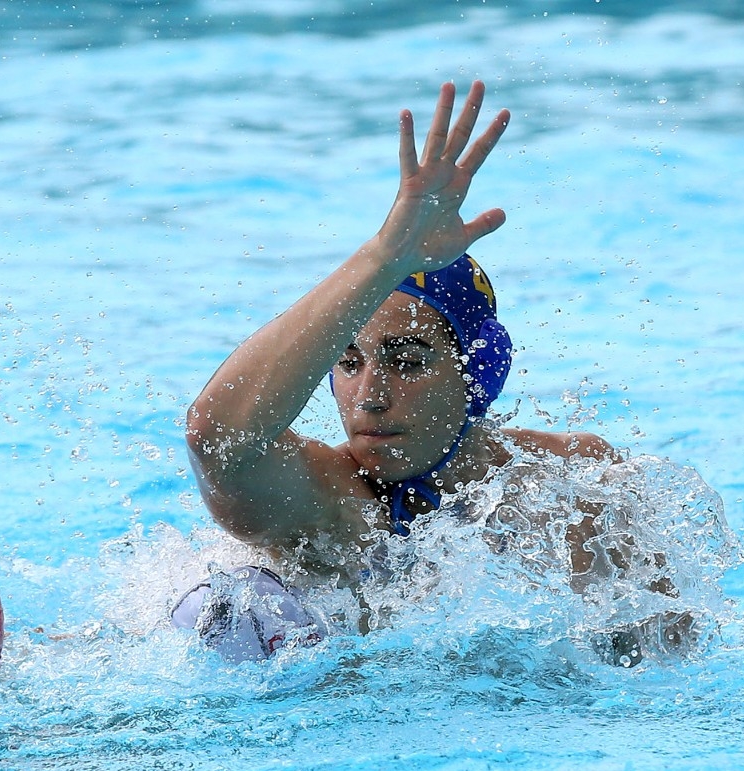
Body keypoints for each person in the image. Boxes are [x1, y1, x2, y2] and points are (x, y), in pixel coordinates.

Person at [174, 80, 692, 664]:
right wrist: (383, 258)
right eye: (348, 360)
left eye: (408, 360)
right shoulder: (332, 503)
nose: (369, 396)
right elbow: (217, 437)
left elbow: (672, 668)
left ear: (480, 371)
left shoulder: (574, 489)